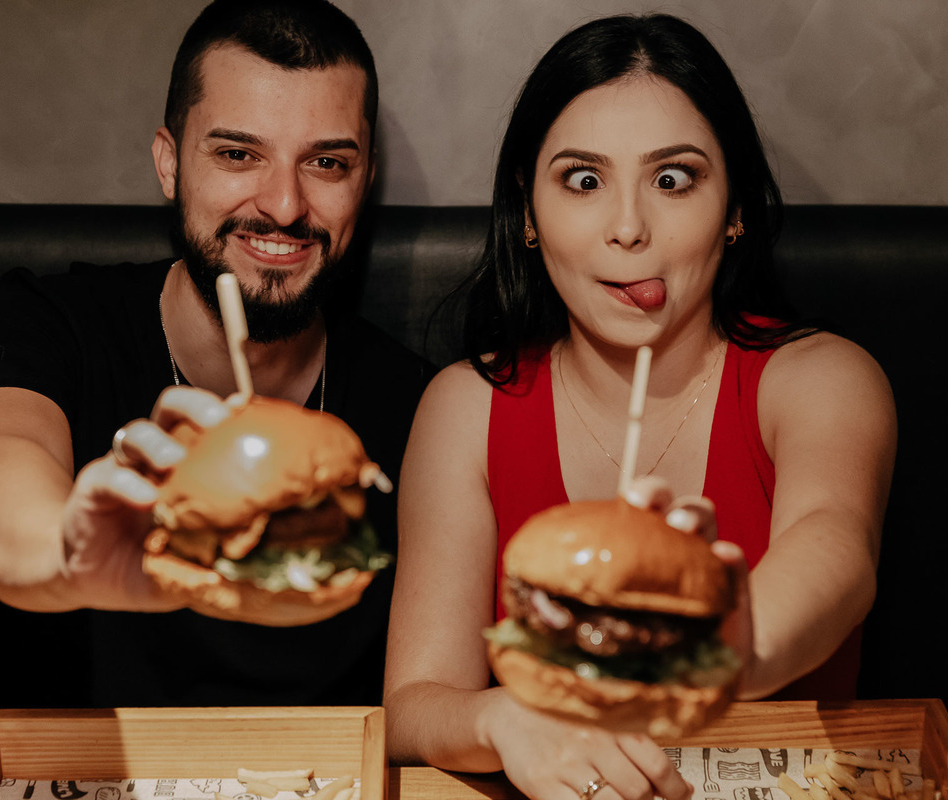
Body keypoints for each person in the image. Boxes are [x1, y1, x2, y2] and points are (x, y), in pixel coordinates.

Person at [384, 13, 896, 800]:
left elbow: (838, 551)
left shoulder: (821, 379)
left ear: (735, 208)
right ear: (528, 211)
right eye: (584, 181)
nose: (628, 229)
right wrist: (497, 720)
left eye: (673, 179)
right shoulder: (465, 409)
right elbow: (415, 705)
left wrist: (730, 644)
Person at [0, 0, 431, 708]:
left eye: (326, 163)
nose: (284, 205)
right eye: (238, 154)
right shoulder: (48, 325)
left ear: (366, 178)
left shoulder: (417, 403)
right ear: (170, 164)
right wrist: (66, 552)